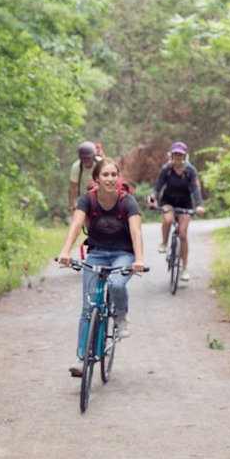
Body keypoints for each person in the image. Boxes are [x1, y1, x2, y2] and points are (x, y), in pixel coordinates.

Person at [58, 157, 146, 376]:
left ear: (118, 178)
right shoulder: (88, 200)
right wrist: (65, 252)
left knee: (116, 284)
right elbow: (76, 225)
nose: (109, 179)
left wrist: (139, 259)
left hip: (123, 255)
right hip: (96, 253)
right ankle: (82, 359)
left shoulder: (127, 202)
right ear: (96, 178)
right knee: (88, 308)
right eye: (105, 175)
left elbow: (136, 232)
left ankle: (122, 316)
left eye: (113, 175)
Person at [148, 141, 205, 281]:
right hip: (168, 200)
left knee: (183, 234)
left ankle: (184, 269)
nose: (178, 157)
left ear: (185, 156)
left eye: (180, 154)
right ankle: (164, 242)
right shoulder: (166, 169)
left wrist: (199, 205)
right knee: (167, 220)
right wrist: (153, 198)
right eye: (175, 154)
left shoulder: (190, 171)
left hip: (185, 202)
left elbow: (195, 189)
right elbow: (157, 188)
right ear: (171, 155)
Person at [68, 140, 101, 212]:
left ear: (93, 157)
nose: (86, 161)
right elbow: (72, 187)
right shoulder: (76, 167)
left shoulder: (100, 164)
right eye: (83, 158)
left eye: (88, 158)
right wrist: (71, 204)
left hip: (100, 194)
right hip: (84, 196)